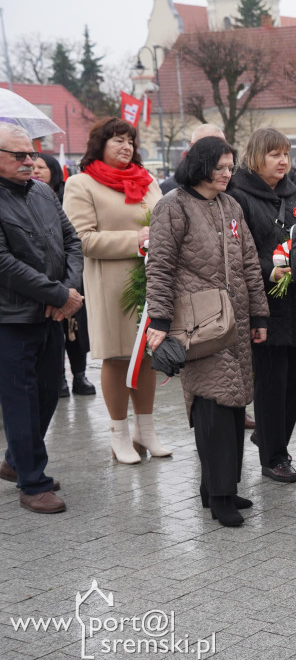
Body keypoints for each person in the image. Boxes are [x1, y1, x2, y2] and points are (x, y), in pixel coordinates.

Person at [145, 136, 269, 527]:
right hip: (197, 325)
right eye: (221, 168)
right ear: (200, 166)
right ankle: (219, 497)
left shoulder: (230, 205)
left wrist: (261, 316)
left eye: (231, 168)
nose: (228, 174)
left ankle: (221, 487)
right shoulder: (173, 206)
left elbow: (249, 261)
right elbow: (160, 267)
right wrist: (160, 324)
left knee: (234, 403)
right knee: (212, 404)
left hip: (236, 320)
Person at [64, 117, 171, 464]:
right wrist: (135, 240)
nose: (126, 147)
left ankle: (146, 429)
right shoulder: (82, 184)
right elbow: (82, 239)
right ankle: (118, 433)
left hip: (153, 278)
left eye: (130, 141)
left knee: (149, 353)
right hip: (111, 281)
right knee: (117, 356)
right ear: (100, 144)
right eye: (117, 141)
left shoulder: (147, 180)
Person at [0, 122, 82, 513]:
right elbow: (4, 263)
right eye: (19, 155)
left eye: (31, 153)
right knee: (22, 400)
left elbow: (72, 242)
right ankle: (32, 483)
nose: (30, 161)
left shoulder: (45, 193)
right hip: (11, 318)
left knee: (51, 390)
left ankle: (17, 461)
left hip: (52, 313)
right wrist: (57, 294)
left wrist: (68, 291)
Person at [226, 128, 296, 484]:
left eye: (286, 154)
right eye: (274, 154)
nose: (283, 161)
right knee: (272, 383)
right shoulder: (238, 196)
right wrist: (268, 270)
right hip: (263, 301)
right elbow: (236, 251)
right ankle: (274, 455)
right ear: (255, 156)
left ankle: (269, 436)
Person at [33, 153, 96, 398]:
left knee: (75, 328)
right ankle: (58, 376)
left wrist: (71, 280)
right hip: (43, 276)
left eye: (42, 167)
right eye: (33, 166)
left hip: (69, 274)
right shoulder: (23, 196)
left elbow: (73, 238)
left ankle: (79, 374)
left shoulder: (63, 196)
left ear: (54, 171)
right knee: (55, 327)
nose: (36, 170)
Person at [160, 124, 227, 194]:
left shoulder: (230, 183)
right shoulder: (170, 187)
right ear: (193, 146)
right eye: (209, 146)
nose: (217, 151)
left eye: (222, 146)